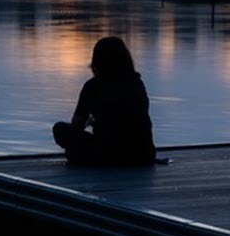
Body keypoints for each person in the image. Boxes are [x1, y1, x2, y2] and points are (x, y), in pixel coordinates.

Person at [53, 36, 156, 166]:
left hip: (109, 153)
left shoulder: (93, 86)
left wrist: (89, 123)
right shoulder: (136, 83)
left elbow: (77, 125)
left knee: (60, 129)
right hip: (143, 155)